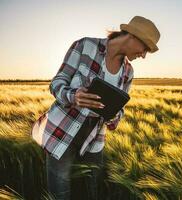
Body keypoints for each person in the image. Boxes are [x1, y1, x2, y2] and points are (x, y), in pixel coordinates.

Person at [30, 16, 160, 200]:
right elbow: (57, 83)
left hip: (94, 138)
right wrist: (73, 96)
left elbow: (120, 109)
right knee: (60, 193)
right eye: (145, 48)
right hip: (62, 131)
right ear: (132, 36)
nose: (144, 55)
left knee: (91, 193)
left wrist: (113, 115)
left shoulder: (128, 72)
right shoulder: (85, 46)